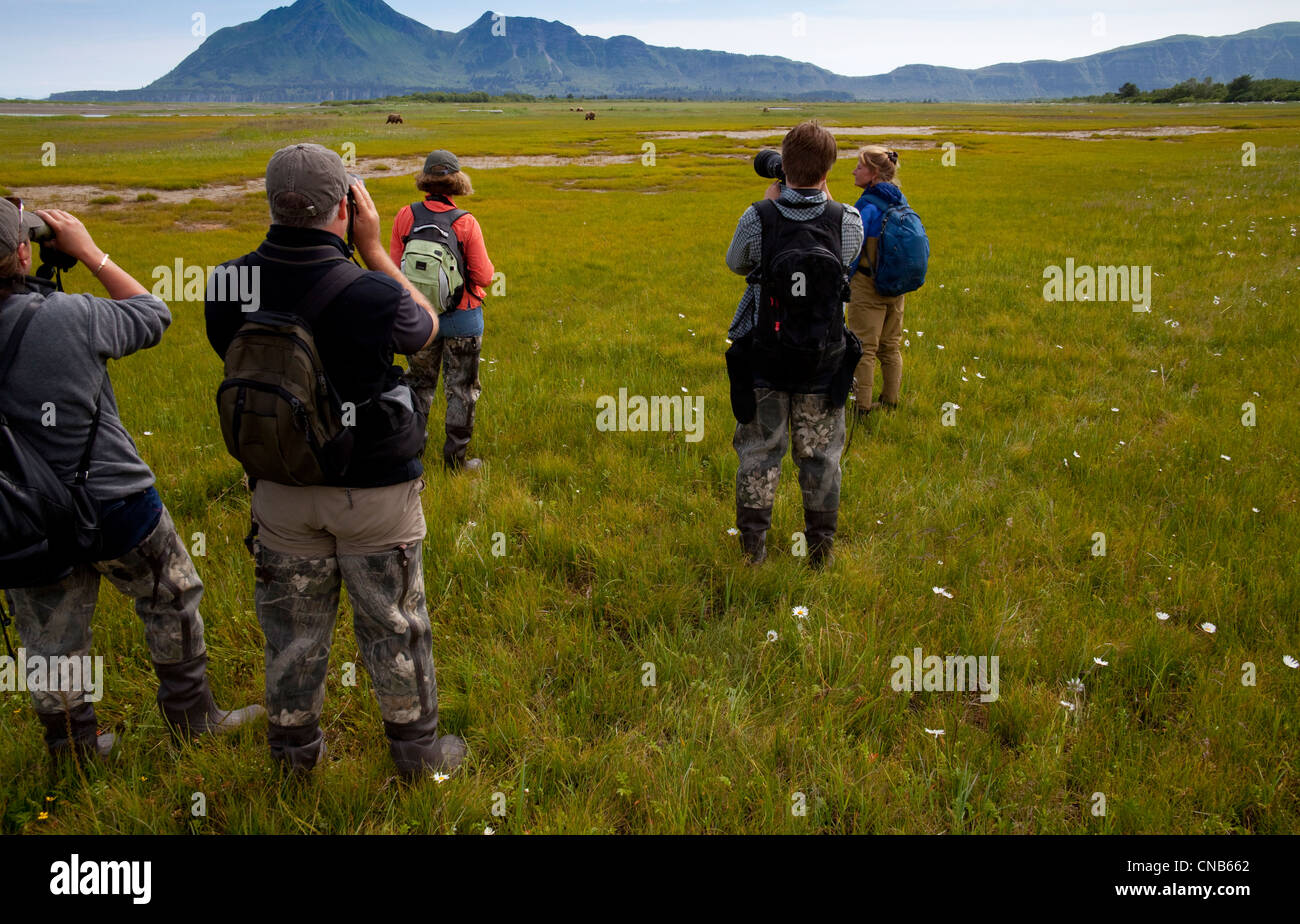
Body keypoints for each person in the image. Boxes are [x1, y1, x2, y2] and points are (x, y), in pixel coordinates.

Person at [205, 143, 466, 777]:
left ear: (272, 204)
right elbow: (427, 330)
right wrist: (376, 251)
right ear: (346, 207)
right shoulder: (370, 289)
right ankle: (417, 754)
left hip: (281, 484)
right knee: (394, 624)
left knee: (291, 632)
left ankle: (294, 760)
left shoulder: (225, 283)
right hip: (372, 490)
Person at [0, 198, 263, 767]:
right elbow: (152, 313)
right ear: (24, 252)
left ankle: (73, 752)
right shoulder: (70, 315)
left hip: (21, 517)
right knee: (170, 597)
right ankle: (195, 723)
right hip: (115, 500)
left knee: (51, 638)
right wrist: (89, 252)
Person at [725, 122, 864, 568]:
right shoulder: (849, 220)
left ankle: (753, 554)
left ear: (782, 166)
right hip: (824, 361)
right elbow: (846, 262)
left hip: (765, 355)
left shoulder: (758, 217)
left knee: (759, 454)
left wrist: (770, 207)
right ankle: (820, 555)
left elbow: (735, 263)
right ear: (830, 168)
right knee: (822, 457)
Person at [389, 150, 495, 474]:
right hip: (462, 318)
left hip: (419, 319)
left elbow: (394, 270)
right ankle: (455, 463)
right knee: (461, 390)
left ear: (425, 182)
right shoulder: (466, 222)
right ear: (455, 183)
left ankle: (412, 455)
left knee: (419, 386)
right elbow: (484, 276)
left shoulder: (405, 215)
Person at [845, 146, 907, 417]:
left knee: (863, 347)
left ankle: (862, 408)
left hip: (868, 284)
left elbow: (852, 249)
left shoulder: (867, 205)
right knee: (890, 346)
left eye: (859, 166)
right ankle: (891, 401)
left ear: (873, 173)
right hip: (896, 284)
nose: (854, 171)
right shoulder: (901, 200)